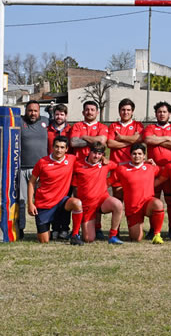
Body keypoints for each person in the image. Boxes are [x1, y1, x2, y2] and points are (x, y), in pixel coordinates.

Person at [27, 136, 84, 245]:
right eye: (57, 147)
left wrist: (103, 159)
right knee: (44, 241)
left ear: (66, 149)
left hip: (61, 202)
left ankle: (75, 235)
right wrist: (30, 204)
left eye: (62, 147)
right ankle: (48, 230)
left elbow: (88, 161)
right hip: (44, 204)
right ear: (52, 147)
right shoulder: (42, 162)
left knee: (77, 203)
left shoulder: (71, 159)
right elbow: (31, 182)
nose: (59, 150)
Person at [69, 100, 110, 239]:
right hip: (79, 167)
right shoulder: (77, 125)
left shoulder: (102, 126)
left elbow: (102, 141)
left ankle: (97, 227)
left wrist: (84, 137)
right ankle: (76, 229)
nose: (89, 112)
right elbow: (74, 142)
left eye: (92, 110)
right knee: (78, 198)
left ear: (97, 112)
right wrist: (94, 140)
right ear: (83, 112)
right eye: (87, 109)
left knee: (96, 198)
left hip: (95, 168)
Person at [110, 143, 165, 244]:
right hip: (133, 208)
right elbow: (108, 182)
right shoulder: (121, 169)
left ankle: (157, 235)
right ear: (130, 155)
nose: (137, 156)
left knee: (158, 204)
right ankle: (141, 233)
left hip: (147, 203)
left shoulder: (150, 168)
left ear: (144, 156)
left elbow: (165, 173)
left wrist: (153, 183)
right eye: (134, 154)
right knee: (136, 239)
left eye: (140, 154)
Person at [71, 142, 124, 244]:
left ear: (102, 155)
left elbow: (119, 168)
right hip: (87, 205)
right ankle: (79, 231)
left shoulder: (105, 164)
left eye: (99, 154)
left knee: (117, 204)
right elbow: (72, 180)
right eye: (94, 153)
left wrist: (109, 181)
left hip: (102, 200)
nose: (96, 156)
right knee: (88, 239)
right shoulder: (78, 164)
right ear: (89, 152)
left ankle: (113, 236)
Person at [143, 101, 171, 237]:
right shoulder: (150, 127)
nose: (162, 114)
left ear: (169, 114)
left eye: (164, 112)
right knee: (154, 200)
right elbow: (148, 140)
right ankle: (153, 229)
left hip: (170, 170)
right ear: (156, 114)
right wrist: (166, 139)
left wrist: (158, 139)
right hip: (154, 169)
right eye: (159, 112)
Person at [17, 100, 49, 240]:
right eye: (30, 110)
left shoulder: (46, 122)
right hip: (23, 169)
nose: (33, 113)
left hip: (41, 170)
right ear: (26, 111)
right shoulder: (19, 122)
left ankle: (42, 228)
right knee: (22, 201)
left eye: (35, 111)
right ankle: (20, 229)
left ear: (39, 111)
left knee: (42, 201)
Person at [107, 98, 144, 200]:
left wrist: (121, 138)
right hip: (117, 166)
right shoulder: (113, 126)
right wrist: (131, 141)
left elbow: (140, 139)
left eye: (128, 110)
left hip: (134, 167)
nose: (125, 112)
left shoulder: (138, 125)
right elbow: (110, 143)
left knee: (134, 199)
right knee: (118, 200)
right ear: (119, 111)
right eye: (123, 110)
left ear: (132, 112)